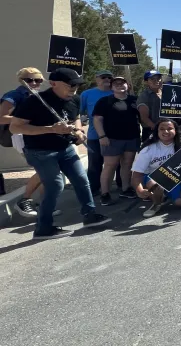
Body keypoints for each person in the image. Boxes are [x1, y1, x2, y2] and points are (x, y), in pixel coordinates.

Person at [10, 68, 110, 238]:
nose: (74, 88)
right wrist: (51, 129)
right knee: (56, 185)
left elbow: (76, 116)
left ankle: (90, 215)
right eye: (70, 85)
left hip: (66, 148)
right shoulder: (35, 101)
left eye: (77, 85)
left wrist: (78, 131)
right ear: (54, 83)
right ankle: (43, 228)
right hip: (40, 151)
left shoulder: (75, 99)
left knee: (81, 179)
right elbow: (15, 127)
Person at [1, 67, 48, 218]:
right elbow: (1, 117)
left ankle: (45, 206)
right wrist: (26, 118)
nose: (34, 83)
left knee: (46, 170)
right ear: (22, 80)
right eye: (29, 80)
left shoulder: (39, 95)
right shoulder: (13, 95)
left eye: (38, 80)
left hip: (38, 134)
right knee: (44, 169)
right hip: (21, 136)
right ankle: (24, 201)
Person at [131, 118, 181, 218]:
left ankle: (165, 195)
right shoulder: (148, 148)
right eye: (162, 129)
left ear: (175, 130)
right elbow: (136, 175)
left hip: (177, 177)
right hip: (153, 177)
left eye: (170, 128)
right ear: (157, 131)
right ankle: (157, 203)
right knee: (156, 184)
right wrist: (139, 190)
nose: (166, 131)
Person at [92, 76, 141, 205]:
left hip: (132, 138)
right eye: (116, 83)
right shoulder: (104, 101)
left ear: (127, 85)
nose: (119, 85)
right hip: (111, 139)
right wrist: (102, 136)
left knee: (127, 164)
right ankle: (105, 193)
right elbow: (97, 120)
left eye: (122, 83)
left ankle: (125, 189)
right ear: (112, 87)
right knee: (110, 166)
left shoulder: (134, 100)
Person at [79, 69, 113, 195]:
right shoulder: (87, 94)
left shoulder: (116, 92)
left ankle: (120, 186)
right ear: (97, 79)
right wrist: (79, 128)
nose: (107, 80)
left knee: (117, 163)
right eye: (103, 77)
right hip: (95, 136)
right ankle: (93, 188)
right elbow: (79, 113)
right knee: (95, 164)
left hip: (115, 136)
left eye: (109, 78)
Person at [137, 69, 163, 140]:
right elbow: (144, 118)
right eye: (152, 79)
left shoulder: (167, 92)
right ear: (146, 82)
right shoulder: (144, 96)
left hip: (166, 130)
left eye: (158, 78)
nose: (156, 81)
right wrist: (158, 129)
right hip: (151, 131)